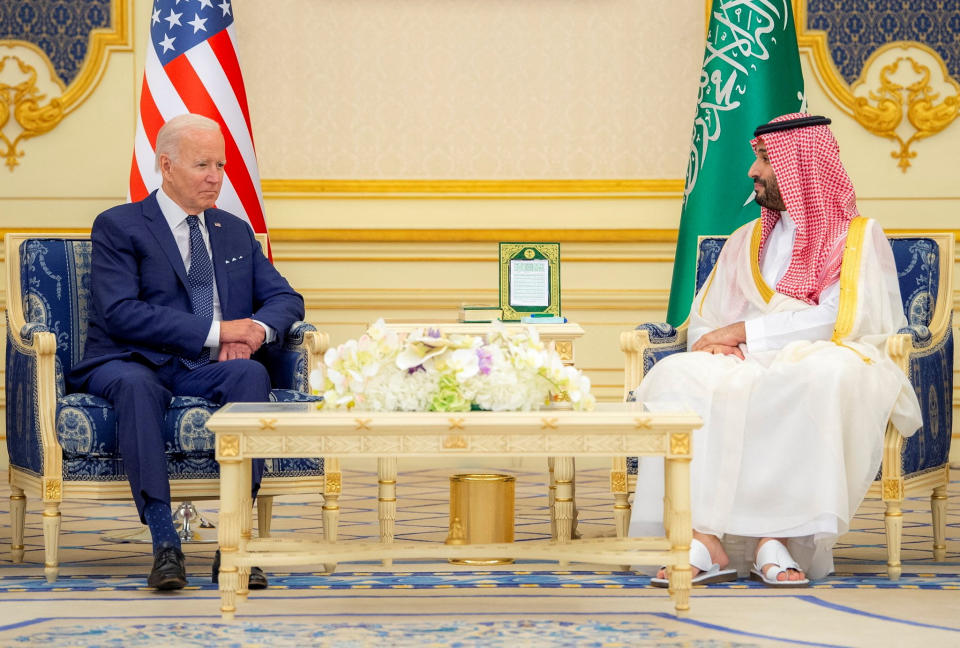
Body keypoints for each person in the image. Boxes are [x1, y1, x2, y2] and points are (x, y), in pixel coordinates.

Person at [628, 113, 922, 587]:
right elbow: (709, 316)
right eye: (756, 157)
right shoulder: (747, 240)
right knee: (678, 375)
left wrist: (745, 334)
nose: (753, 170)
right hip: (749, 355)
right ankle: (702, 537)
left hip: (826, 352)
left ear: (800, 165)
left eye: (764, 158)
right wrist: (727, 344)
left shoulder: (856, 238)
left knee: (813, 375)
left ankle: (777, 538)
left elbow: (838, 318)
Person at [70, 114, 304, 590]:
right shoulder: (120, 226)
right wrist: (220, 331)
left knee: (251, 377)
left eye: (220, 164)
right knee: (136, 387)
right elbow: (120, 313)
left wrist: (254, 331)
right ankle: (164, 545)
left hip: (205, 369)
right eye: (203, 165)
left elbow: (287, 299)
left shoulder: (233, 231)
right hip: (132, 361)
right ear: (166, 166)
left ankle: (233, 545)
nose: (216, 176)